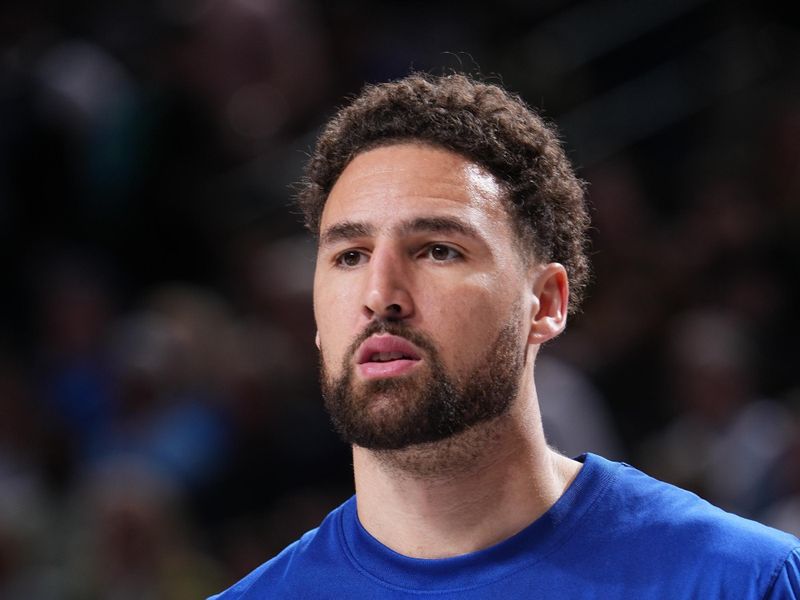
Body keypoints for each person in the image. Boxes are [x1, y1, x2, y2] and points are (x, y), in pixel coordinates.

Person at [210, 73, 800, 599]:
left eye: (438, 250)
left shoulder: (743, 580)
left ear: (544, 303)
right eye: (350, 255)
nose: (380, 293)